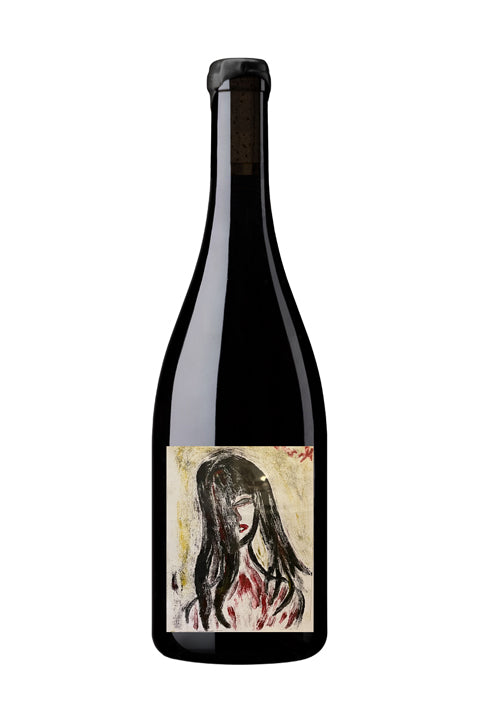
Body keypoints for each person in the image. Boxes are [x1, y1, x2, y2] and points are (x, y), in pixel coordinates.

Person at [184, 450, 311, 631]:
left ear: (258, 503)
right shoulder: (199, 612)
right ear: (211, 515)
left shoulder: (283, 597)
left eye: (243, 502)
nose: (235, 516)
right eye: (224, 508)